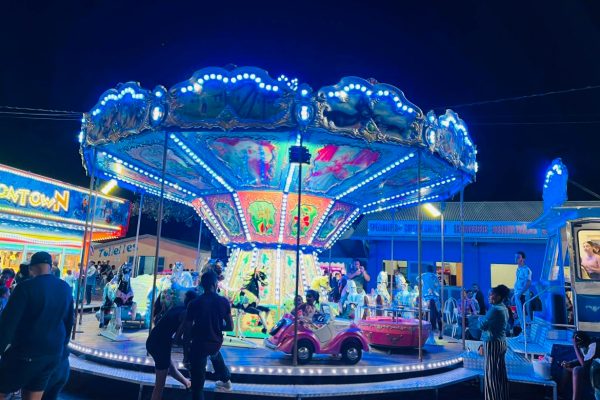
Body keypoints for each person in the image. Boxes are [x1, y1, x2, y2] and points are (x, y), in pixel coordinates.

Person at [0, 252, 74, 400]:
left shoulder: (25, 287)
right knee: (33, 394)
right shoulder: (65, 288)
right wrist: (61, 346)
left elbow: (8, 323)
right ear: (50, 267)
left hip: (25, 353)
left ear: (32, 268)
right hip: (52, 354)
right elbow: (68, 321)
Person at [184, 271, 233, 400]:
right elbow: (230, 327)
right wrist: (216, 326)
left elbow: (187, 330)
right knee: (215, 354)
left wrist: (185, 353)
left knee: (197, 387)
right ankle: (226, 379)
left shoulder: (194, 303)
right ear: (215, 284)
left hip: (198, 345)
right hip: (214, 343)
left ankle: (224, 379)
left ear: (202, 285)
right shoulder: (223, 302)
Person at [146, 290, 195, 400]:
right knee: (159, 386)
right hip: (160, 345)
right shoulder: (186, 314)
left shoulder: (178, 308)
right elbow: (178, 338)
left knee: (171, 368)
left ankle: (187, 383)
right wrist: (189, 345)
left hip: (153, 340)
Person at [479, 284, 510, 400]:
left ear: (498, 296)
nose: (489, 297)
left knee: (491, 374)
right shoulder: (504, 308)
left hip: (492, 343)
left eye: (491, 294)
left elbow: (481, 325)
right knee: (500, 373)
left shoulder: (495, 309)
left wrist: (480, 320)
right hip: (501, 342)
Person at [560, 331, 599, 400]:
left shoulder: (593, 345)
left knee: (577, 370)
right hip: (589, 369)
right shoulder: (584, 346)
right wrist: (570, 363)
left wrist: (575, 346)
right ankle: (561, 394)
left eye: (579, 345)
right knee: (566, 367)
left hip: (596, 372)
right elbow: (585, 358)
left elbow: (584, 365)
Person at [418, 265, 442, 338]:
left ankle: (424, 331)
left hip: (426, 298)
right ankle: (441, 333)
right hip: (436, 298)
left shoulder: (423, 275)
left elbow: (417, 279)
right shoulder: (435, 276)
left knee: (423, 313)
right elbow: (438, 286)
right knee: (438, 315)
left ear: (427, 269)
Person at [513, 251, 532, 331]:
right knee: (520, 315)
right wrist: (514, 295)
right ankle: (523, 332)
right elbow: (518, 283)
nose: (516, 259)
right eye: (515, 257)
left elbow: (528, 284)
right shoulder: (518, 269)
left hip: (523, 296)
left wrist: (520, 294)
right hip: (518, 295)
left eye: (518, 257)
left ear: (523, 259)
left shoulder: (526, 270)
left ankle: (527, 333)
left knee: (524, 314)